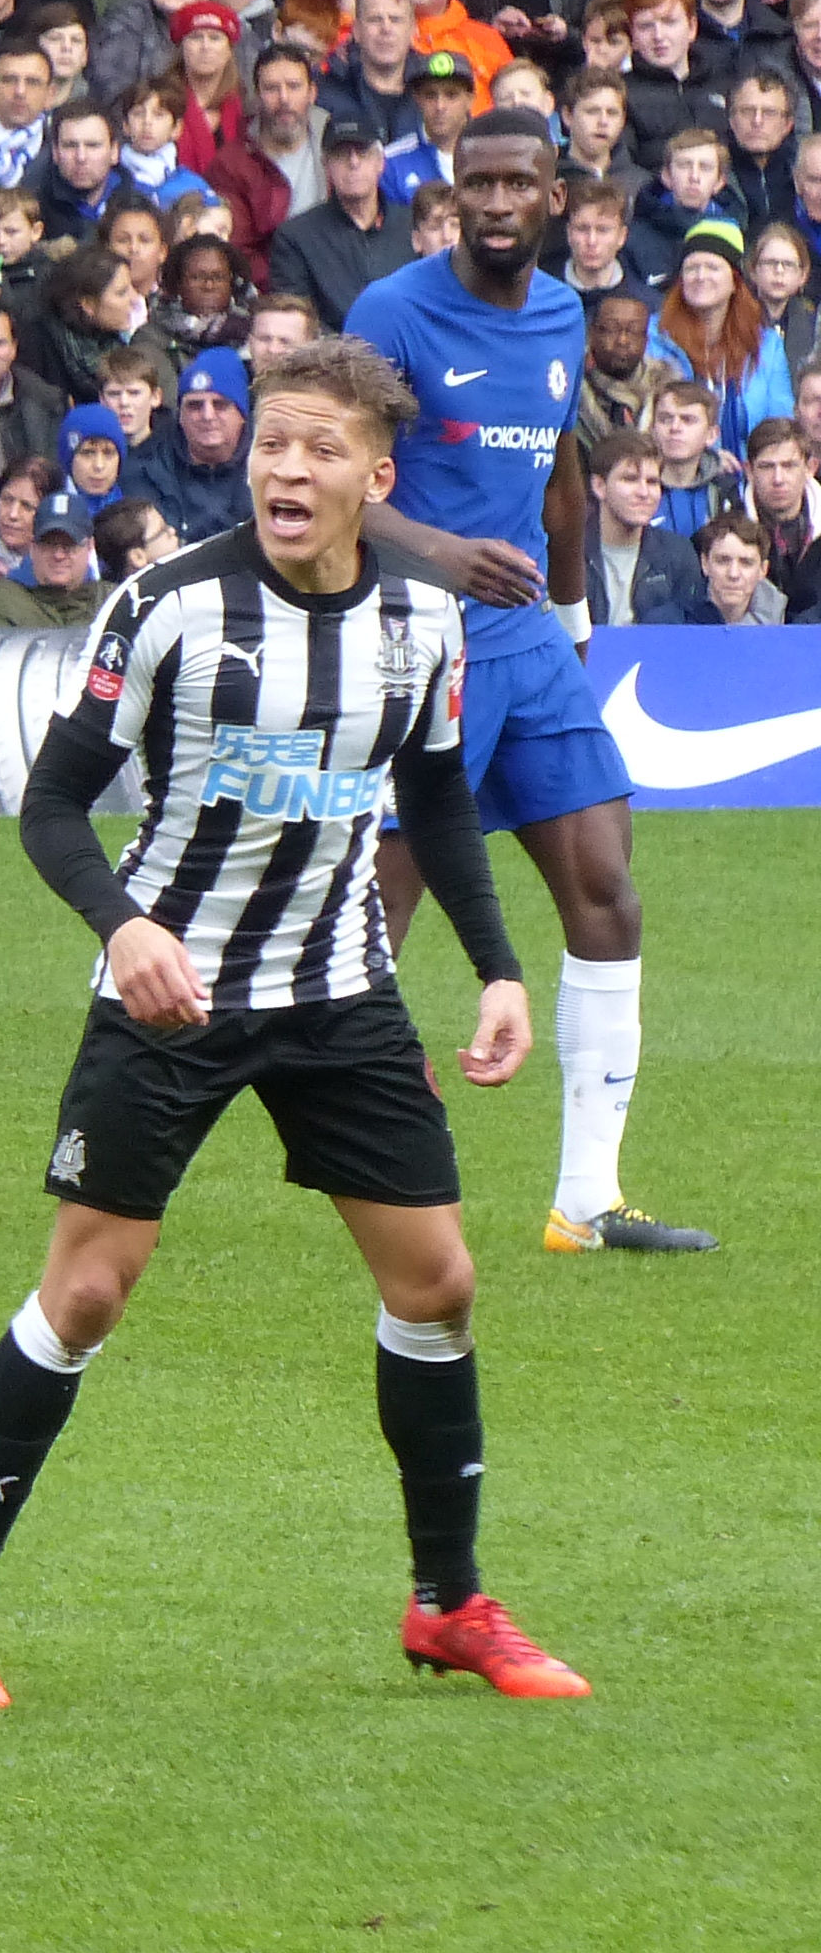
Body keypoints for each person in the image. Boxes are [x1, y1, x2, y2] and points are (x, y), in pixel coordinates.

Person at [0, 333, 581, 1714]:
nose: (287, 466)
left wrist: (502, 968)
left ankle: (448, 1603)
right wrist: (128, 926)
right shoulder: (164, 606)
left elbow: (440, 802)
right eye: (273, 441)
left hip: (339, 990)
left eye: (319, 449)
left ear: (373, 478)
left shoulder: (422, 623)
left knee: (439, 1285)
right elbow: (52, 808)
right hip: (175, 992)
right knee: (88, 1294)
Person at [344, 109, 716, 1257]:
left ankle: (585, 1200)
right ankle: (361, 1153)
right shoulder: (392, 312)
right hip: (411, 636)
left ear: (556, 198)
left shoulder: (563, 316)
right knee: (377, 917)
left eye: (517, 183)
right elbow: (321, 479)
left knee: (606, 888)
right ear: (452, 194)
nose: (495, 202)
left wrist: (571, 618)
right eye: (476, 184)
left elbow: (559, 478)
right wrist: (444, 554)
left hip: (529, 649)